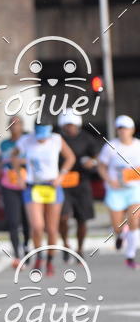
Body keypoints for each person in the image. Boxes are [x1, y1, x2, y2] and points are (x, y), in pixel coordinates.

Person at [13, 123, 75, 276]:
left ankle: (50, 260)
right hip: (33, 187)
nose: (41, 140)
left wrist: (61, 176)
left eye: (44, 137)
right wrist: (20, 176)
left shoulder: (56, 139)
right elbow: (13, 156)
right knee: (37, 226)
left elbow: (70, 157)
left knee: (52, 228)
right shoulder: (26, 140)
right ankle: (39, 257)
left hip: (52, 186)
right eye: (39, 137)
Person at [57, 110, 102, 260]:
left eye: (72, 125)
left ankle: (80, 248)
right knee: (63, 217)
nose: (70, 128)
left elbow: (97, 156)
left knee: (81, 219)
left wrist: (92, 162)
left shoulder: (87, 138)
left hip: (81, 182)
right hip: (62, 183)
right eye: (67, 125)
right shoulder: (57, 139)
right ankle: (65, 244)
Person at [97, 115, 140, 269]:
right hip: (115, 190)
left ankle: (130, 256)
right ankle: (121, 235)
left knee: (134, 221)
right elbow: (101, 166)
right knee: (117, 226)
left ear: (132, 130)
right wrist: (109, 180)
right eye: (120, 129)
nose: (123, 132)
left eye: (126, 128)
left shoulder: (138, 146)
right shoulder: (110, 146)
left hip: (134, 189)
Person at [0, 115, 29, 268]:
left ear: (22, 126)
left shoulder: (28, 142)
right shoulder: (4, 145)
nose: (14, 127)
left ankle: (27, 248)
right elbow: (1, 161)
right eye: (11, 124)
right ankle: (16, 254)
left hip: (26, 184)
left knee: (27, 221)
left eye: (17, 124)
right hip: (8, 184)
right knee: (13, 221)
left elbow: (33, 159)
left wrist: (19, 161)